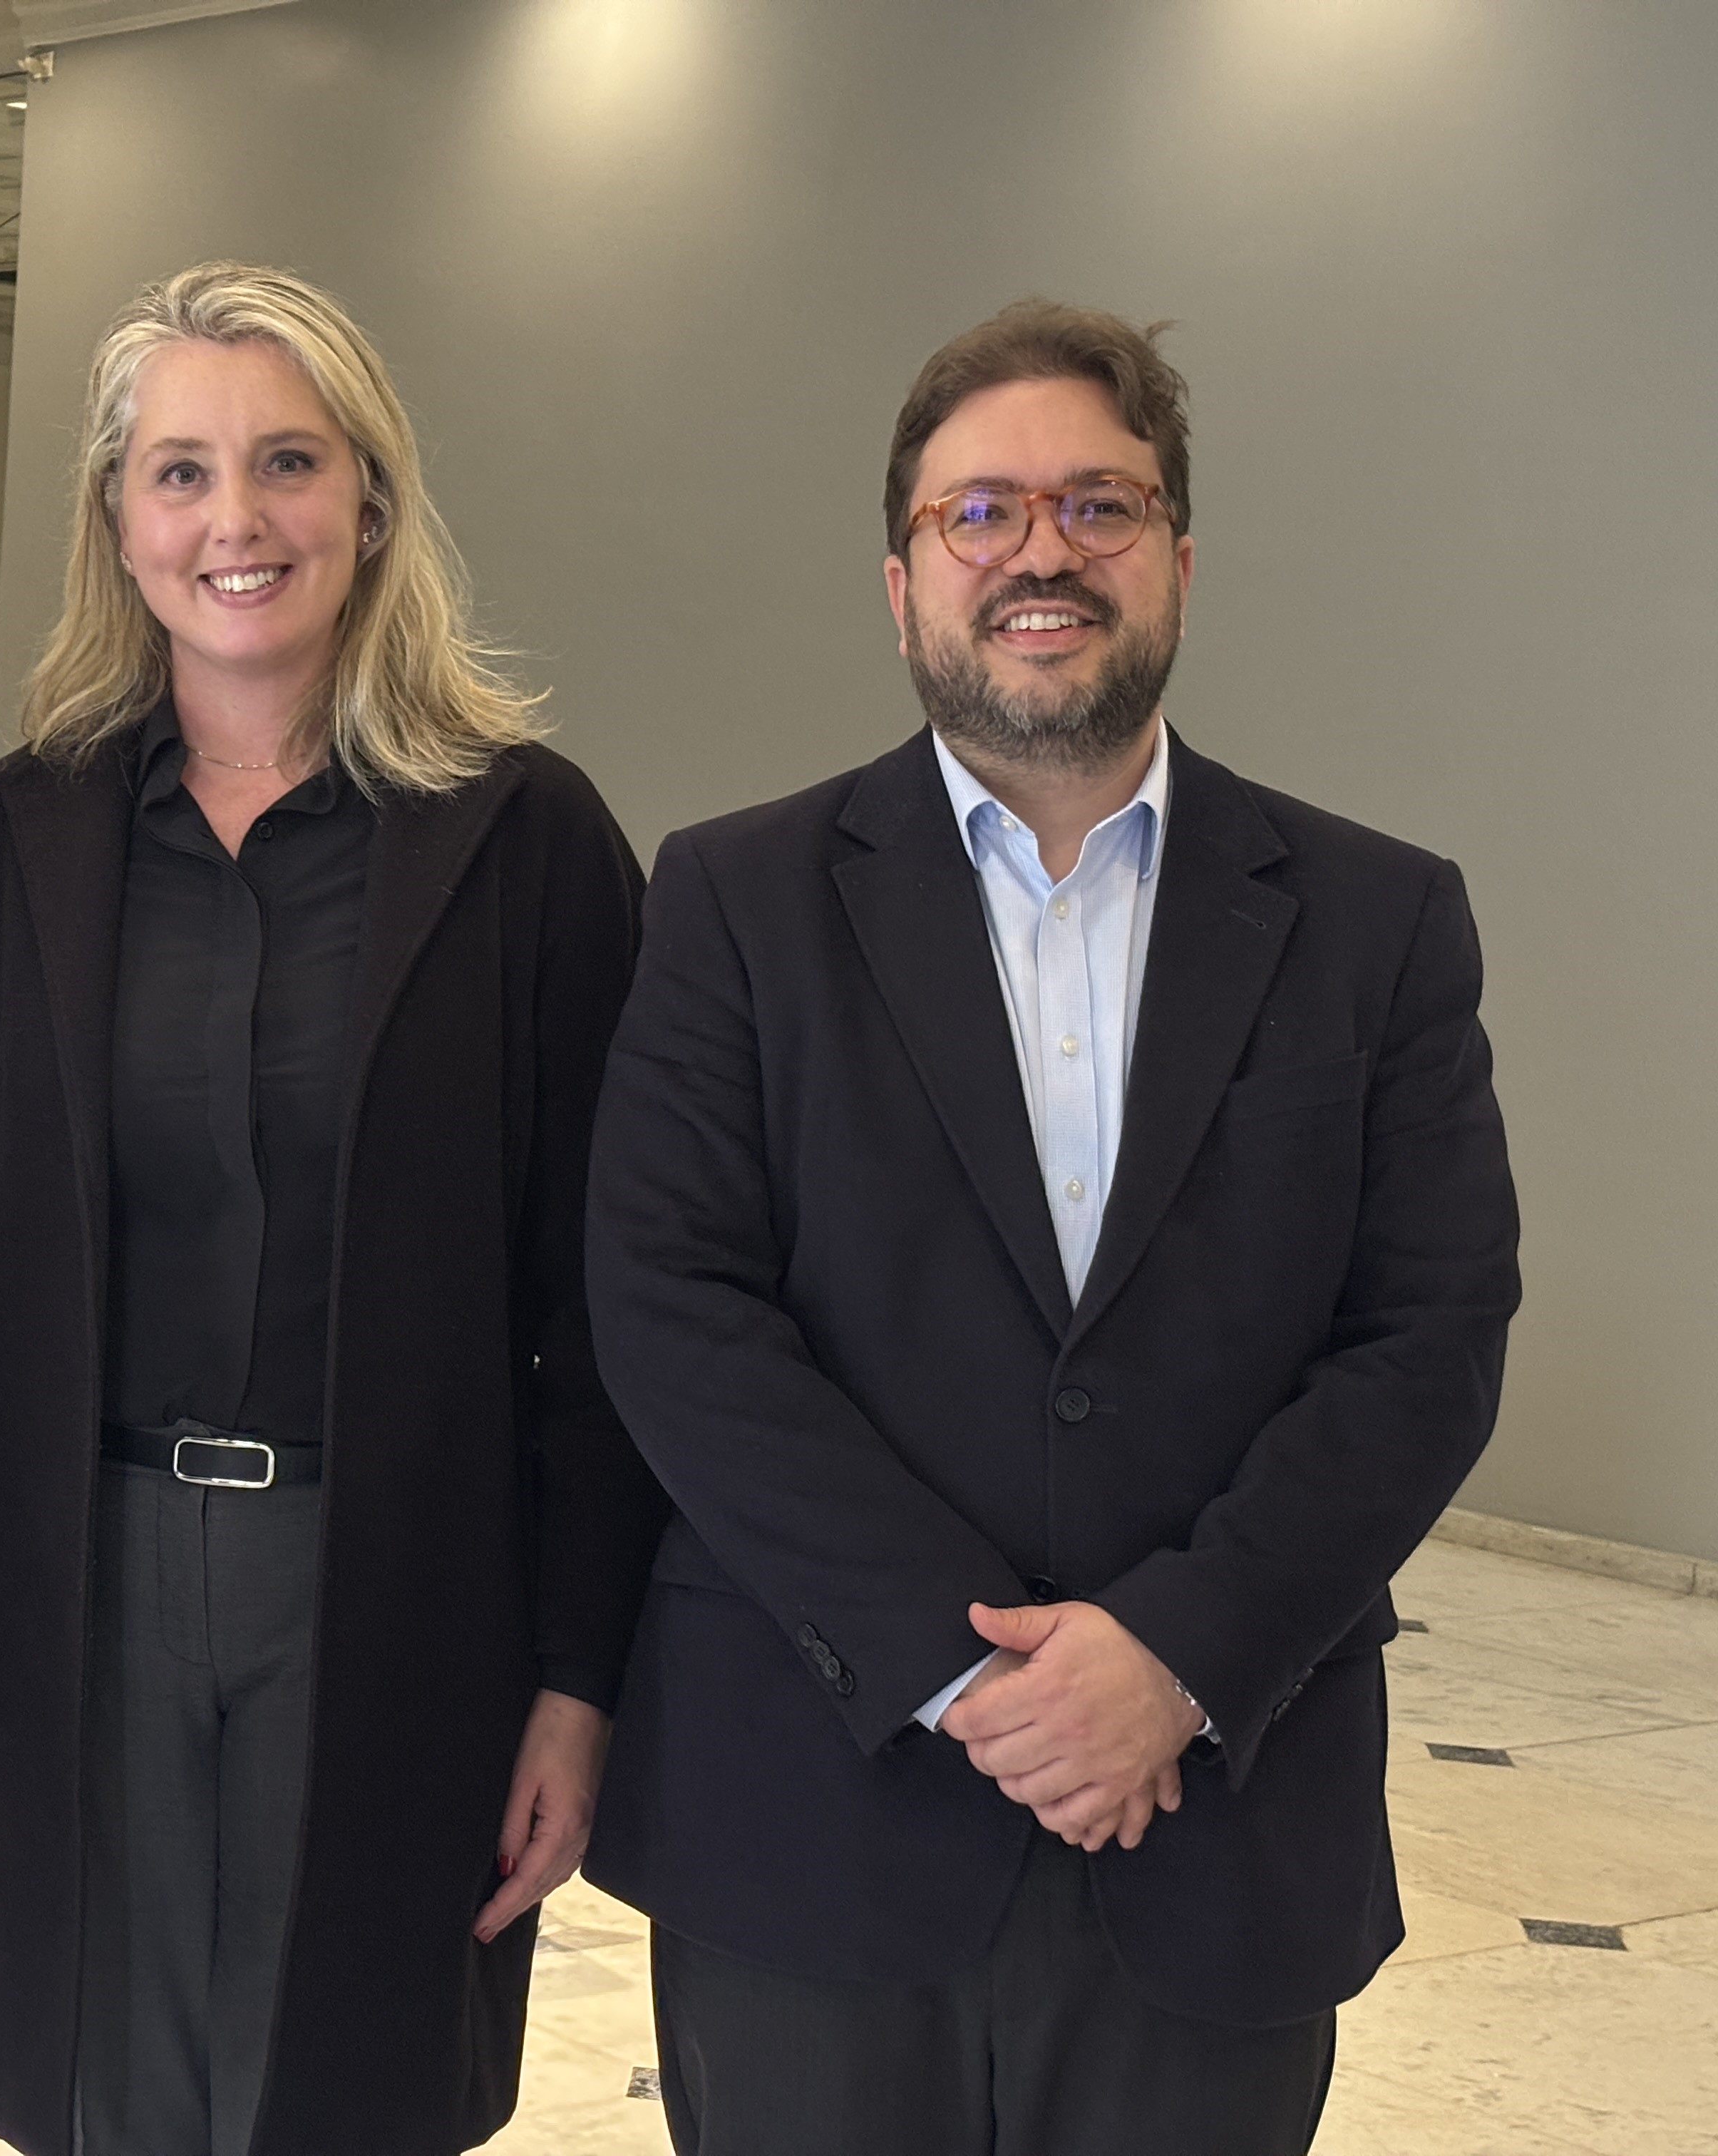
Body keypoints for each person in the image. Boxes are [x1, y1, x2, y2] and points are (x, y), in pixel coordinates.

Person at [582, 299, 1522, 2155]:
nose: (1042, 551)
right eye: (980, 511)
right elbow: (673, 1308)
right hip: (817, 1820)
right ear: (901, 581)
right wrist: (965, 1671)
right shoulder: (737, 901)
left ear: (1178, 558)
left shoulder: (1379, 921)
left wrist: (1175, 1654)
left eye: (1101, 504)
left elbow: (1431, 1338)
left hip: (1219, 1825)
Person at [0, 262, 668, 2156]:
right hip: (72, 1575)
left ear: (372, 501)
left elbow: (605, 1318)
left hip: (400, 1582)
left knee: (339, 2091)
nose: (235, 520)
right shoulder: (14, 841)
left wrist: (580, 1679)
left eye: (289, 461)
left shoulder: (529, 846)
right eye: (180, 471)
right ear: (118, 520)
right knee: (98, 2093)